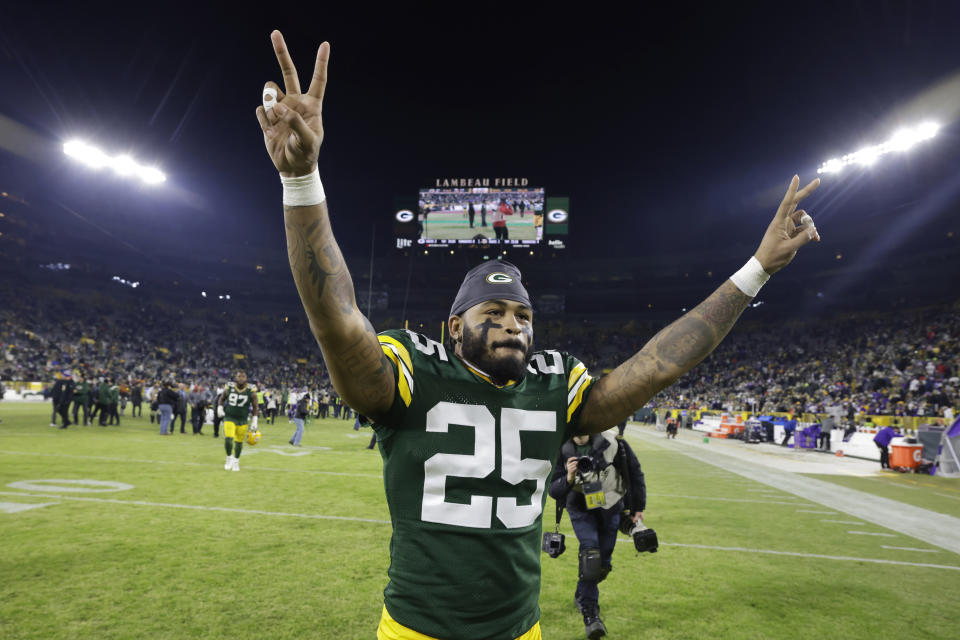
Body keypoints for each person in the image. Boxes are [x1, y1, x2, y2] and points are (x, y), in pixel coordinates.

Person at [256, 30, 819, 639]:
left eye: (523, 315)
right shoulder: (414, 374)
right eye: (492, 311)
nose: (512, 324)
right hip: (417, 629)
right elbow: (337, 317)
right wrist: (301, 181)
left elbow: (660, 363)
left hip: (521, 630)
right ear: (453, 327)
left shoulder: (555, 384)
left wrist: (757, 268)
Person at [548, 429, 647, 639]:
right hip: (579, 506)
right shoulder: (559, 447)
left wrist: (637, 506)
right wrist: (568, 477)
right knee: (590, 554)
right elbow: (554, 491)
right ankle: (590, 613)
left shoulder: (613, 442)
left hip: (610, 504)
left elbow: (634, 472)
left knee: (602, 565)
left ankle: (581, 594)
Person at [219, 370, 259, 471]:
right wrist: (219, 408)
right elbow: (222, 398)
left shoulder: (251, 389)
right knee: (228, 438)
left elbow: (255, 406)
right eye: (239, 376)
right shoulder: (230, 386)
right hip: (229, 417)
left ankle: (236, 461)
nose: (241, 378)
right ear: (236, 377)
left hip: (243, 419)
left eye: (243, 376)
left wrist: (255, 420)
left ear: (246, 378)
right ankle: (229, 457)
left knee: (239, 443)